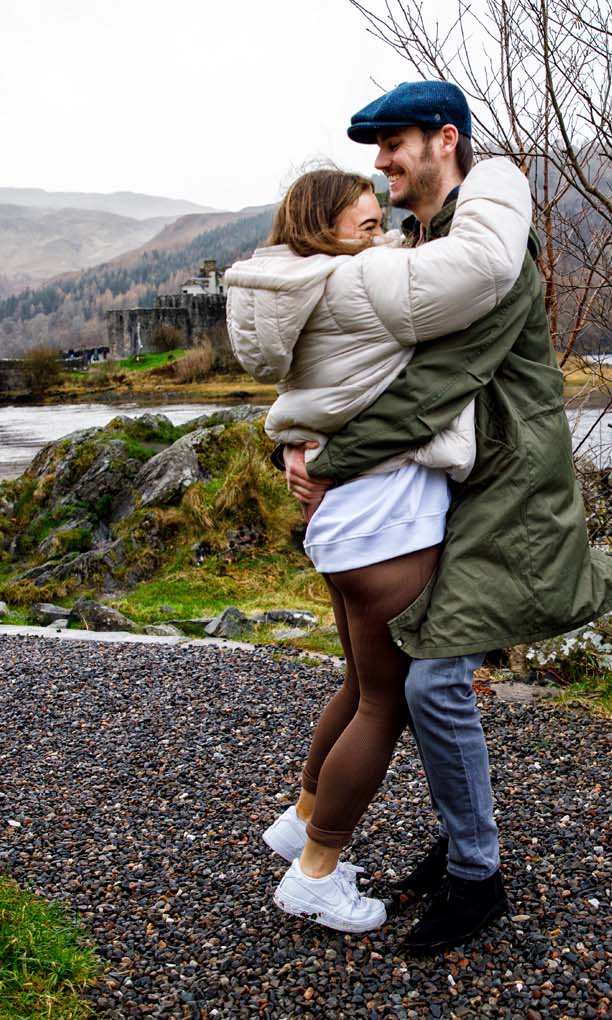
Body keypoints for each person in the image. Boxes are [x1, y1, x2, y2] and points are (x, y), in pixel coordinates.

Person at [285, 81, 612, 953]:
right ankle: (450, 845)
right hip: (453, 493)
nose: (380, 162)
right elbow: (357, 375)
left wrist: (328, 466)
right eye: (374, 149)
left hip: (509, 498)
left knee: (434, 683)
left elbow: (435, 386)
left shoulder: (489, 260)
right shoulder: (429, 246)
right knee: (410, 679)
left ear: (445, 141)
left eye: (392, 143)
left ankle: (476, 875)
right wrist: (294, 443)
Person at [225, 157, 534, 933]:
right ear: (324, 232)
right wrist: (497, 179)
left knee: (360, 689)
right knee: (386, 705)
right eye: (365, 226)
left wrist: (300, 449)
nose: (382, 237)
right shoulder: (358, 283)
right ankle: (317, 869)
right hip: (387, 526)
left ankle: (301, 818)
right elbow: (481, 268)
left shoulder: (296, 286)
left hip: (345, 529)